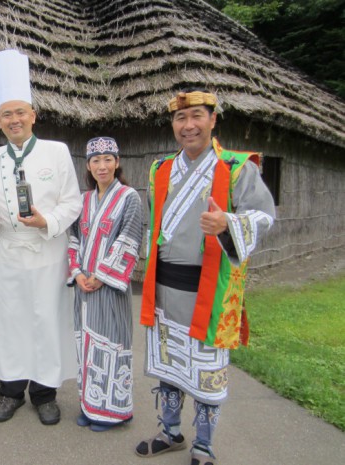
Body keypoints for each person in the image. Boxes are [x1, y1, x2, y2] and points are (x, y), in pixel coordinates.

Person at [135, 90, 276, 465]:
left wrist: (227, 222)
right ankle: (170, 431)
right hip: (164, 288)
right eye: (181, 119)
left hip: (209, 292)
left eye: (197, 115)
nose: (188, 125)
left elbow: (264, 217)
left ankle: (204, 444)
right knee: (168, 366)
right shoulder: (161, 169)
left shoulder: (237, 167)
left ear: (213, 120)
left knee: (206, 374)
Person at [0, 49, 82, 425]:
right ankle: (10, 391)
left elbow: (72, 204)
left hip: (48, 250)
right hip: (9, 251)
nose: (15, 119)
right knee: (11, 320)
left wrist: (46, 222)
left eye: (21, 112)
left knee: (46, 319)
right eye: (7, 114)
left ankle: (44, 394)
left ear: (33, 116)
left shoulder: (57, 152)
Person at [67, 137, 143, 432]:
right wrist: (77, 273)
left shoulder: (129, 198)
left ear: (117, 162)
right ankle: (90, 404)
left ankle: (114, 412)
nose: (102, 166)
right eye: (96, 161)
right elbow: (73, 239)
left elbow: (130, 240)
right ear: (88, 165)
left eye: (108, 159)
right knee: (86, 346)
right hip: (84, 287)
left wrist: (101, 275)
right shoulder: (83, 201)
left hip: (109, 286)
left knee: (111, 344)